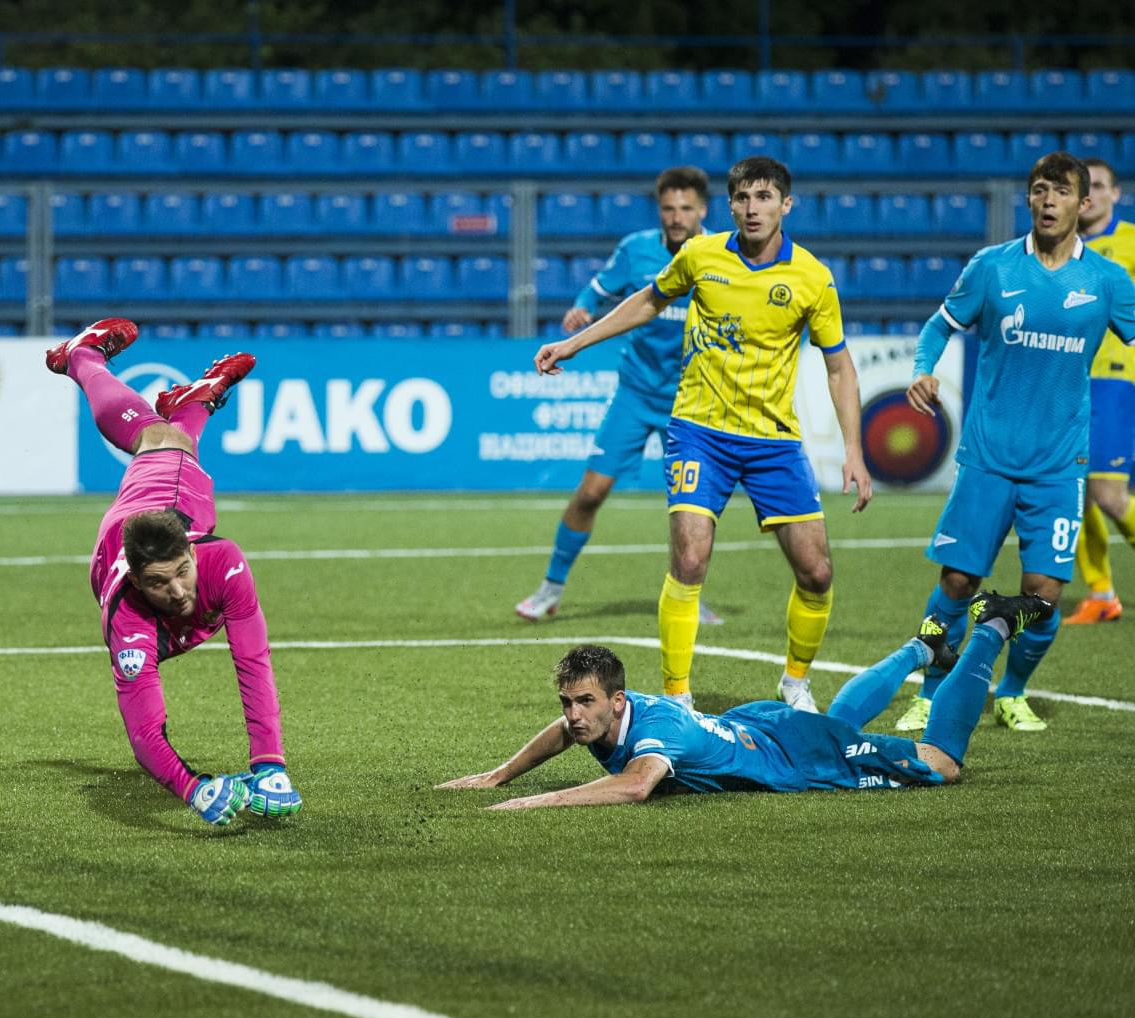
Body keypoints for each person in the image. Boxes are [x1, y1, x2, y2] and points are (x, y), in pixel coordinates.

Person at [532, 156, 873, 715]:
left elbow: (839, 366)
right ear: (731, 205)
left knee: (816, 571)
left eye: (764, 198)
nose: (752, 208)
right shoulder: (701, 255)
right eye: (743, 198)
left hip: (773, 441)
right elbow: (647, 300)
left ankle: (795, 681)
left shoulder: (812, 277)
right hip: (699, 431)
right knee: (689, 560)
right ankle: (676, 696)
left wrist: (854, 451)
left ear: (786, 205)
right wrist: (573, 343)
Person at [891, 152, 1135, 735]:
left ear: (1084, 203)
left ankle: (1012, 692)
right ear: (1028, 199)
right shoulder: (992, 267)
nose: (1049, 200)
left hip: (1058, 465)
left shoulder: (1108, 281)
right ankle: (928, 692)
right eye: (1039, 189)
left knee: (1044, 596)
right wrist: (924, 367)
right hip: (988, 459)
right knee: (957, 583)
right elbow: (939, 324)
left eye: (1062, 191)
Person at [435, 591, 1051, 808]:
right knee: (836, 724)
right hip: (759, 726)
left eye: (584, 703)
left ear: (616, 701)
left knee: (940, 764)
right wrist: (499, 775)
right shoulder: (610, 712)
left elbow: (634, 786)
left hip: (792, 757)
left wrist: (536, 800)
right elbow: (559, 732)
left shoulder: (656, 736)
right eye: (569, 702)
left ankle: (993, 624)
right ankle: (923, 648)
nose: (574, 716)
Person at [44, 317, 302, 826]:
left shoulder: (219, 560)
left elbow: (252, 660)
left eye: (182, 572)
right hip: (117, 542)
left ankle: (187, 402)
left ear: (191, 553)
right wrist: (192, 789)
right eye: (161, 583)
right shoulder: (127, 617)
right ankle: (84, 358)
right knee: (162, 438)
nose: (180, 590)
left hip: (168, 501)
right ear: (139, 582)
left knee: (164, 441)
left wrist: (269, 763)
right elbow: (143, 732)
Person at [516, 167, 724, 628]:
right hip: (635, 391)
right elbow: (597, 288)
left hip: (689, 401)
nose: (676, 217)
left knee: (690, 508)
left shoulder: (719, 256)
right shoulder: (636, 250)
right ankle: (550, 590)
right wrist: (582, 307)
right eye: (668, 208)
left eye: (685, 208)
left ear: (702, 211)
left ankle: (689, 597)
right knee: (591, 492)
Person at [1063, 159, 1135, 624]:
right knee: (1076, 492)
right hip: (1068, 379)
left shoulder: (1130, 240)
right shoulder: (1061, 250)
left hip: (1117, 376)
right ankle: (1101, 593)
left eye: (1100, 186)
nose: (1092, 195)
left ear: (1115, 194)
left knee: (1108, 494)